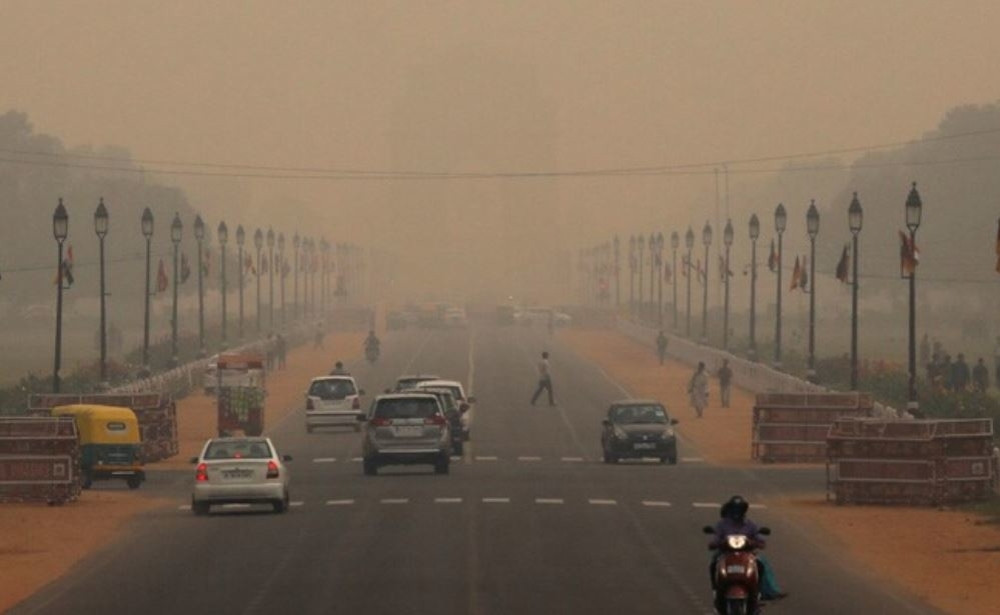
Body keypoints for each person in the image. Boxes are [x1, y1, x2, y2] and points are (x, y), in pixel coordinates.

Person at [708, 495, 786, 605]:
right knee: (713, 564)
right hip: (725, 553)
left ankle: (762, 592)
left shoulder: (750, 525)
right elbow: (715, 539)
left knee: (761, 563)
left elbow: (761, 541)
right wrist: (716, 543)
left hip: (747, 555)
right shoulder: (722, 524)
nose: (737, 512)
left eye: (739, 509)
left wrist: (754, 543)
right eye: (734, 509)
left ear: (744, 510)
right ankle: (717, 590)